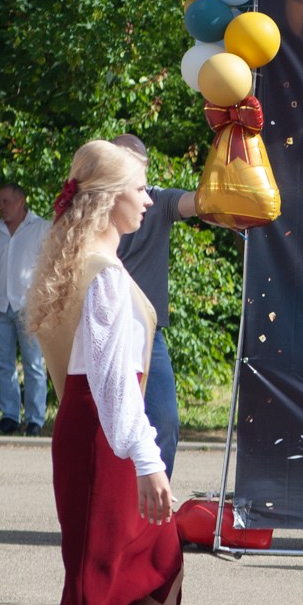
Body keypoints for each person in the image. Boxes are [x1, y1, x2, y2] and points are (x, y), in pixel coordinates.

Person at [22, 140, 227, 605]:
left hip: (100, 433)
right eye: (140, 188)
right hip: (103, 444)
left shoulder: (87, 260)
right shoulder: (102, 273)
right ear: (110, 199)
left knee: (162, 569)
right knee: (91, 583)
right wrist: (148, 463)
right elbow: (114, 387)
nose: (149, 198)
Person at [106, 135, 208, 476]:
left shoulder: (158, 201)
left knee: (164, 421)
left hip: (149, 334)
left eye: (138, 169)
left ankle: (154, 502)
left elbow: (199, 203)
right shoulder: (90, 208)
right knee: (109, 427)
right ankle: (116, 511)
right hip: (105, 329)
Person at [0, 182, 50, 436]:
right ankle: (10, 416)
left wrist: (44, 303)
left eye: (7, 201)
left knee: (33, 364)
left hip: (28, 306)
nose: (1, 207)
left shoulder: (41, 228)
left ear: (21, 202)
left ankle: (35, 419)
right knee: (4, 365)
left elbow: (52, 267)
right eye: (0, 201)